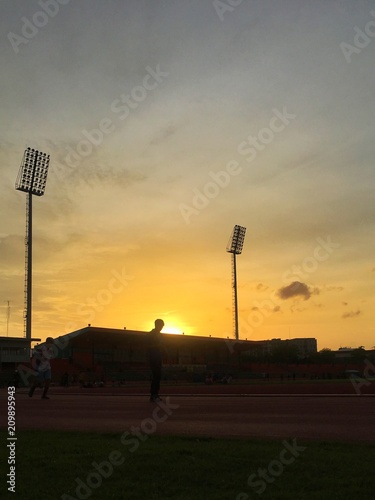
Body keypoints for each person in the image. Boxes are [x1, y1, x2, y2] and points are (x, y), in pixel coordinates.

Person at [148, 319, 165, 403]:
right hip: (153, 356)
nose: (162, 327)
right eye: (161, 325)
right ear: (157, 325)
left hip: (158, 356)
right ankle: (153, 394)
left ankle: (155, 394)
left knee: (158, 376)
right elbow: (148, 346)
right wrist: (157, 346)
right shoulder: (151, 334)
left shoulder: (159, 335)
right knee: (156, 375)